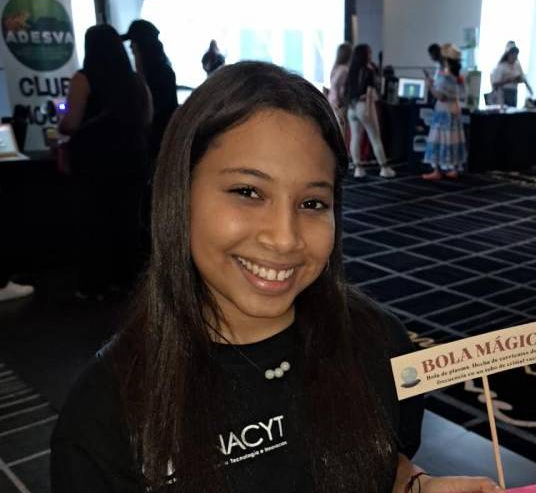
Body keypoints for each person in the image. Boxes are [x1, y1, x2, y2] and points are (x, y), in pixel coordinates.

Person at [50, 62, 503, 493]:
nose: (285, 238)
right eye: (248, 192)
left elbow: (384, 464)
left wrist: (414, 484)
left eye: (312, 203)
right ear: (179, 192)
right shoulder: (105, 415)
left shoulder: (379, 343)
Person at [58, 24, 152, 298]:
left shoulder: (83, 79)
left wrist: (61, 123)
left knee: (94, 222)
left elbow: (71, 123)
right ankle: (126, 280)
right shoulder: (135, 80)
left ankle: (94, 284)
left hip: (95, 161)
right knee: (127, 220)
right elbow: (147, 117)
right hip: (132, 157)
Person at [121, 19, 178, 160]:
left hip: (158, 146)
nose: (130, 47)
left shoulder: (158, 75)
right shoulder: (162, 71)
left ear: (142, 45)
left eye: (133, 42)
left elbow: (154, 114)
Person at [344, 44, 396, 178]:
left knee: (355, 137)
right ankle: (384, 168)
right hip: (364, 106)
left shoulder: (351, 70)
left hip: (352, 107)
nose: (371, 55)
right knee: (375, 137)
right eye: (369, 53)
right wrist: (368, 109)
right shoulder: (368, 70)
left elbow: (347, 91)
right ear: (365, 54)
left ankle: (358, 168)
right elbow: (370, 91)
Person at [422, 44, 467, 181]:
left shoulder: (445, 76)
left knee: (438, 139)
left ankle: (437, 170)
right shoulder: (459, 76)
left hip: (444, 110)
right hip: (455, 108)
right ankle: (454, 168)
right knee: (454, 139)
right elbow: (462, 94)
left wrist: (430, 86)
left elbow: (440, 96)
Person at [490, 41, 533, 107]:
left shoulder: (517, 66)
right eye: (513, 54)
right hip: (503, 94)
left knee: (513, 110)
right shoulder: (501, 66)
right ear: (508, 54)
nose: (514, 56)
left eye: (516, 54)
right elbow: (495, 83)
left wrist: (519, 80)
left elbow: (523, 78)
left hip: (513, 93)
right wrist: (508, 80)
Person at [327, 42, 352, 141]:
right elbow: (339, 87)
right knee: (342, 132)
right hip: (339, 103)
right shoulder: (344, 70)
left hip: (332, 101)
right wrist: (341, 101)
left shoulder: (335, 68)